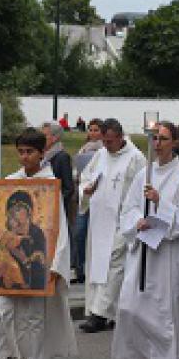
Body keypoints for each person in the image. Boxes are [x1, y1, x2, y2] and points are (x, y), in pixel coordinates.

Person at [0, 128, 76, 359]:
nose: (24, 157)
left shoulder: (49, 187)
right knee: (1, 314)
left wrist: (54, 266)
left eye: (30, 152)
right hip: (6, 271)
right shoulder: (9, 182)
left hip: (35, 272)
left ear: (42, 154)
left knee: (33, 319)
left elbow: (59, 230)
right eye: (20, 151)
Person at [112, 121, 179, 359]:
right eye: (154, 138)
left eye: (163, 138)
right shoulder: (143, 174)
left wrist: (161, 202)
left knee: (161, 313)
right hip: (143, 252)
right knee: (131, 306)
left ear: (174, 142)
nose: (158, 143)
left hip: (168, 256)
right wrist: (137, 222)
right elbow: (128, 208)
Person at [78, 119, 147, 333]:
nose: (106, 145)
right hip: (100, 221)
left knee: (114, 266)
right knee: (98, 265)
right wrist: (86, 190)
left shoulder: (136, 158)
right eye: (103, 141)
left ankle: (99, 314)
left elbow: (141, 189)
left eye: (109, 141)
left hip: (122, 222)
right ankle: (105, 311)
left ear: (120, 136)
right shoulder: (100, 155)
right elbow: (85, 177)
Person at [70, 118, 105, 283]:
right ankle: (79, 268)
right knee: (79, 234)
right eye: (90, 130)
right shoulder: (83, 149)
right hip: (82, 196)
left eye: (96, 130)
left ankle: (90, 268)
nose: (92, 133)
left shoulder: (104, 151)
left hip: (97, 197)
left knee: (92, 233)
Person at [41, 122, 77, 239]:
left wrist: (55, 202)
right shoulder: (44, 156)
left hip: (58, 209)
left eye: (44, 135)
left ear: (55, 138)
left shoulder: (62, 157)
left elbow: (68, 187)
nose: (41, 139)